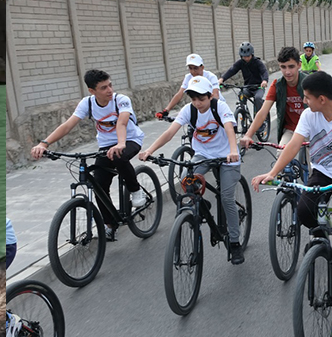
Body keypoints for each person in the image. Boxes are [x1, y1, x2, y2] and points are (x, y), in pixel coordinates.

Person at [252, 72, 332, 297]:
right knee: (304, 211)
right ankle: (322, 239)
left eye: (307, 97)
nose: (304, 101)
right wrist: (272, 172)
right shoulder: (309, 115)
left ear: (321, 99)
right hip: (323, 171)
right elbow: (293, 145)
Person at [30, 69, 146, 242]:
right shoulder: (88, 103)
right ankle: (110, 224)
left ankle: (135, 190)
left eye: (110, 85)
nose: (109, 90)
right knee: (99, 184)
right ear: (92, 91)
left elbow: (122, 123)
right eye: (103, 87)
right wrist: (44, 144)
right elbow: (67, 126)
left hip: (130, 140)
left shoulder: (121, 100)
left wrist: (121, 143)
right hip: (105, 146)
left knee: (119, 157)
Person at [138, 77, 245, 264]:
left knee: (227, 198)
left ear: (209, 96)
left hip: (227, 156)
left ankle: (235, 243)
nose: (197, 103)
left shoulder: (219, 107)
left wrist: (233, 151)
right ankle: (203, 205)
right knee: (186, 181)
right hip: (203, 154)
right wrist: (149, 150)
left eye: (201, 99)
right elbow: (170, 132)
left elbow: (229, 128)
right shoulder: (189, 110)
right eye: (193, 99)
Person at [240, 47, 308, 150]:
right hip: (291, 130)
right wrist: (248, 135)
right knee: (281, 153)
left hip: (309, 129)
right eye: (283, 67)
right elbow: (263, 112)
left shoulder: (309, 82)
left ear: (299, 65)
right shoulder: (277, 85)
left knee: (313, 156)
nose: (287, 72)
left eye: (291, 66)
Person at [161, 53, 225, 115]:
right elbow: (179, 94)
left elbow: (215, 95)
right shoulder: (188, 77)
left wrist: (210, 111)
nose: (193, 71)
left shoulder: (211, 77)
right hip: (200, 106)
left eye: (195, 68)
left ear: (202, 67)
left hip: (217, 106)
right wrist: (166, 110)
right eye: (190, 68)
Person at [218, 42, 269, 117]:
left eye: (248, 56)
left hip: (258, 87)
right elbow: (232, 70)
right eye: (244, 56)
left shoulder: (258, 62)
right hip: (247, 87)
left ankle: (260, 119)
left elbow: (264, 71)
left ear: (252, 54)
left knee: (258, 98)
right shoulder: (240, 63)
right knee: (241, 95)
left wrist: (264, 80)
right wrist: (222, 79)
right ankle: (244, 116)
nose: (246, 58)